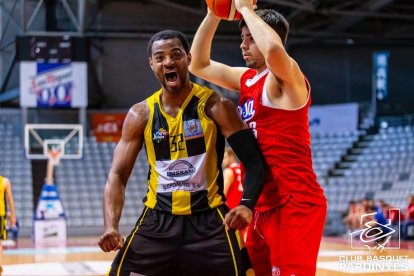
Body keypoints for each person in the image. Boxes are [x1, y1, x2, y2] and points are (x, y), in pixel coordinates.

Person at [98, 30, 266, 276]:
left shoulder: (216, 105)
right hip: (158, 222)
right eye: (160, 57)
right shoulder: (140, 115)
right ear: (152, 64)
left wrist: (247, 205)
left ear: (188, 58)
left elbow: (254, 160)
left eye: (176, 55)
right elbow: (117, 175)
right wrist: (111, 226)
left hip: (210, 222)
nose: (168, 62)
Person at [189, 1, 327, 275]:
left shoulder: (288, 80)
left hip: (294, 203)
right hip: (261, 204)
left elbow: (275, 50)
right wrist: (212, 14)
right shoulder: (248, 79)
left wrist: (246, 10)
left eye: (250, 38)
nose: (243, 45)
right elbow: (198, 64)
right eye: (242, 38)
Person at [0, 175, 16, 274]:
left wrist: (13, 216)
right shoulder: (5, 181)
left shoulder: (5, 181)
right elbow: (10, 200)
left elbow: (10, 200)